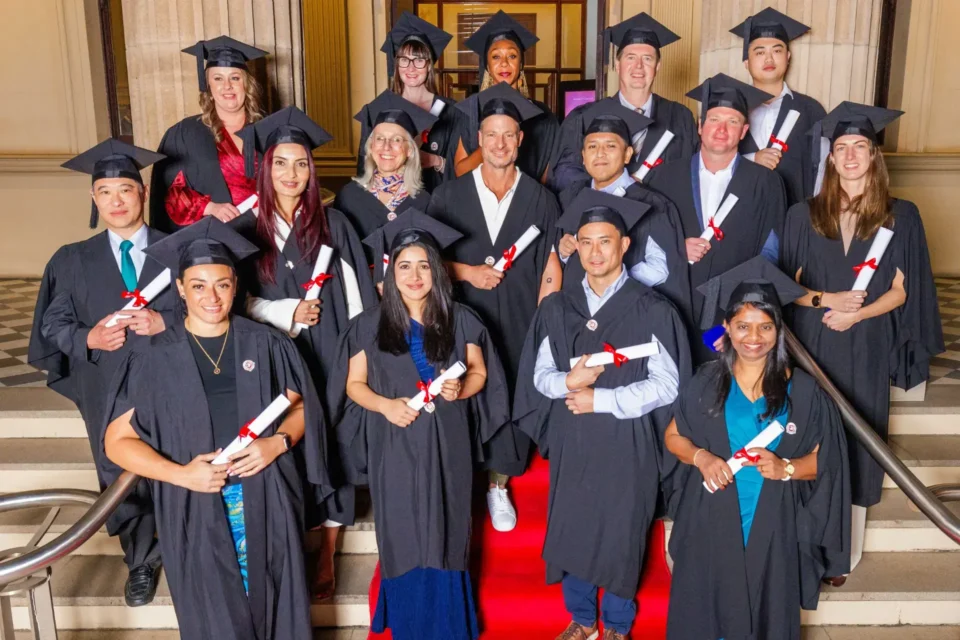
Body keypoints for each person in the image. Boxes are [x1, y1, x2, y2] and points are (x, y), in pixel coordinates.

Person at [100, 218, 331, 640]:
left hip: (267, 499)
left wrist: (277, 444)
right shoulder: (152, 358)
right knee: (214, 618)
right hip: (193, 505)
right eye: (199, 285)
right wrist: (181, 474)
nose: (212, 296)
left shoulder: (267, 344)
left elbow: (302, 409)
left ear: (236, 286)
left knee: (278, 607)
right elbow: (117, 442)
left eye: (223, 284)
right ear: (181, 288)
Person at [513, 190, 690, 640]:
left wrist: (603, 400)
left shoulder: (652, 308)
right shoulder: (558, 307)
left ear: (624, 245)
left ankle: (615, 624)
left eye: (605, 241)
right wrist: (568, 385)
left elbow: (669, 384)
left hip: (628, 439)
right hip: (574, 435)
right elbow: (540, 375)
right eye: (586, 242)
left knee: (620, 530)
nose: (595, 252)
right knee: (573, 526)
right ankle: (581, 617)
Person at [327, 210, 510, 640]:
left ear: (437, 271)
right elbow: (353, 385)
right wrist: (386, 406)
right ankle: (410, 625)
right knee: (404, 532)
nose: (414, 275)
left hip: (448, 441)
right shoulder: (367, 326)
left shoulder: (461, 318)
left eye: (424, 265)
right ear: (391, 273)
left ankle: (449, 627)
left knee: (447, 530)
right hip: (394, 441)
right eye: (404, 266)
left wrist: (462, 389)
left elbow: (481, 371)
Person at [781, 102, 943, 575]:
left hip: (865, 342)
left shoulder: (900, 216)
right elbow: (788, 287)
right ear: (830, 159)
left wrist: (859, 314)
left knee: (859, 439)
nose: (850, 156)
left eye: (860, 147)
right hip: (813, 342)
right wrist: (826, 300)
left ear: (874, 155)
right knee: (808, 436)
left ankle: (842, 556)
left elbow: (902, 289)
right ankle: (803, 546)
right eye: (841, 148)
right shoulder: (803, 215)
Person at [230, 106, 378, 600]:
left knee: (335, 442)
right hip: (276, 358)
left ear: (311, 172)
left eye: (300, 164)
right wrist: (288, 310)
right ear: (265, 168)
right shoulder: (246, 229)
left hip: (334, 353)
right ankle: (293, 539)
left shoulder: (334, 223)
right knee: (288, 441)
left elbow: (361, 300)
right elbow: (235, 300)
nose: (291, 174)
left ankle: (329, 551)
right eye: (281, 163)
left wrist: (362, 356)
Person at [663, 256, 850, 640]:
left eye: (765, 327)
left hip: (773, 521)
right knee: (707, 615)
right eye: (743, 326)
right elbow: (673, 437)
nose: (754, 337)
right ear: (727, 328)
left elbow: (827, 462)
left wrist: (787, 468)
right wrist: (702, 457)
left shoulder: (805, 391)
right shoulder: (705, 382)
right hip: (712, 517)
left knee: (766, 618)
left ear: (779, 331)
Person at [28, 139, 170, 607]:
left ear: (142, 192)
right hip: (107, 382)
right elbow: (55, 322)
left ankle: (186, 542)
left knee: (178, 457)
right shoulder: (71, 259)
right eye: (106, 191)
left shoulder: (178, 250)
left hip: (171, 377)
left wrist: (164, 322)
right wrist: (87, 339)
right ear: (94, 199)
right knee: (120, 468)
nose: (116, 201)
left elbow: (210, 305)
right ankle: (142, 559)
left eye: (125, 189)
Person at [429, 83, 563, 531]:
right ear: (479, 138)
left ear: (520, 140)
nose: (500, 143)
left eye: (509, 134)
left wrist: (547, 315)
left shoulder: (542, 200)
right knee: (465, 391)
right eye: (491, 134)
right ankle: (461, 481)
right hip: (465, 316)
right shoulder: (449, 196)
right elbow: (427, 263)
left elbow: (550, 264)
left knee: (510, 396)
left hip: (522, 315)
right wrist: (468, 273)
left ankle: (498, 484)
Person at [647, 73, 787, 363]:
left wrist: (742, 318)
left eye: (732, 122)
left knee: (724, 394)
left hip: (732, 315)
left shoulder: (765, 182)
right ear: (700, 127)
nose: (721, 129)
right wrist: (675, 248)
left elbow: (770, 253)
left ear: (744, 130)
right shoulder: (663, 177)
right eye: (714, 120)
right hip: (673, 306)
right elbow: (644, 240)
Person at [556, 100, 692, 327]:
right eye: (592, 147)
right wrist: (563, 252)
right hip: (575, 320)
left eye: (610, 146)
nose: (600, 154)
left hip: (631, 320)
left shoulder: (654, 204)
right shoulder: (568, 198)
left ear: (628, 154)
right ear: (582, 155)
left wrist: (608, 283)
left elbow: (663, 270)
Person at [551, 12, 698, 192]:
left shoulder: (679, 117)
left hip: (661, 217)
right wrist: (609, 186)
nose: (638, 66)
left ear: (657, 67)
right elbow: (564, 176)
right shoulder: (584, 117)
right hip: (603, 216)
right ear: (618, 65)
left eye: (647, 58)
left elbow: (692, 175)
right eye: (630, 57)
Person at [149, 36, 268, 232]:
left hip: (264, 233)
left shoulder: (269, 130)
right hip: (212, 237)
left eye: (235, 78)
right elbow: (170, 192)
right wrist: (209, 207)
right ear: (209, 88)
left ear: (246, 86)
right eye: (218, 79)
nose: (227, 86)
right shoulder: (184, 134)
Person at [354, 11, 462, 193]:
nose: (411, 68)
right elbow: (364, 168)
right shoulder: (376, 110)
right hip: (389, 202)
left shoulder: (451, 111)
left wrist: (435, 160)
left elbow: (462, 170)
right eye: (404, 60)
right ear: (396, 64)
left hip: (436, 202)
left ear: (429, 66)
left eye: (419, 60)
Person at [730, 8, 827, 207]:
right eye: (759, 52)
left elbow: (823, 171)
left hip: (794, 219)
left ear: (788, 57)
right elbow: (707, 163)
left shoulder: (811, 110)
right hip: (739, 219)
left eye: (777, 50)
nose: (768, 59)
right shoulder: (729, 109)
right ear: (747, 62)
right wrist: (751, 159)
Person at [454, 10, 560, 184]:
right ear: (487, 65)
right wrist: (491, 142)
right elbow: (460, 172)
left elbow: (547, 178)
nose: (504, 63)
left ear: (521, 63)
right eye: (496, 56)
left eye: (512, 55)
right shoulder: (472, 109)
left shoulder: (543, 116)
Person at [338, 91, 437, 275]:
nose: (386, 147)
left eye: (397, 140)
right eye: (380, 139)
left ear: (409, 150)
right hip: (363, 294)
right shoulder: (349, 196)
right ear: (371, 147)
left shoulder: (424, 201)